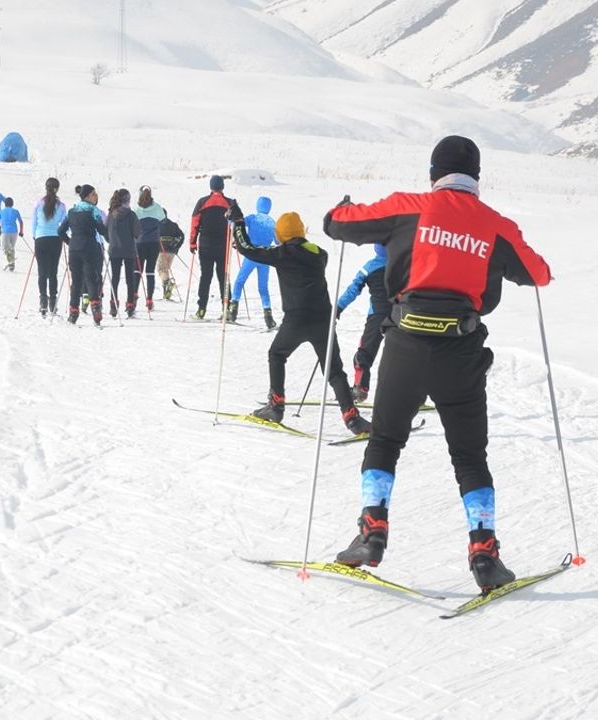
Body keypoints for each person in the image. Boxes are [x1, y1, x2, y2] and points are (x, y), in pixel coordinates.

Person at [321, 135, 552, 594]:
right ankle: (484, 554)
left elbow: (336, 224)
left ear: (433, 174)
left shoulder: (410, 206)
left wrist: (342, 207)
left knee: (385, 441)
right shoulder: (495, 225)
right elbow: (539, 274)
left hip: (406, 344)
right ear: (477, 179)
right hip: (461, 351)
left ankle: (372, 532)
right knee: (469, 457)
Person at [228, 205, 372, 437]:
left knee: (277, 355)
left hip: (296, 320)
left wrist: (238, 223)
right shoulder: (320, 254)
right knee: (334, 371)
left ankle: (276, 405)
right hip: (323, 320)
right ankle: (352, 418)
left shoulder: (281, 254)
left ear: (282, 235)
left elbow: (248, 249)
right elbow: (299, 249)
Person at [335, 244, 390, 402]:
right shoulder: (404, 265)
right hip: (401, 315)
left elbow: (353, 289)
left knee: (364, 354)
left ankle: (360, 388)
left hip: (377, 317)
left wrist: (338, 307)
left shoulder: (370, 267)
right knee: (404, 355)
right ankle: (414, 395)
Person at [59, 184, 109, 326]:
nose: (96, 196)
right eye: (94, 194)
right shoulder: (93, 211)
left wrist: (70, 242)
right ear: (87, 196)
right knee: (91, 278)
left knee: (76, 281)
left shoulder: (72, 210)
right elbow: (101, 229)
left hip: (74, 248)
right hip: (90, 247)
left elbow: (60, 231)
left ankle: (73, 312)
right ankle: (96, 310)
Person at [188, 175, 234, 319]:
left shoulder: (202, 202)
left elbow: (195, 223)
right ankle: (227, 309)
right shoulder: (230, 203)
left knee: (206, 276)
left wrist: (192, 242)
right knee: (223, 276)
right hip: (223, 245)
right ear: (222, 187)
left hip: (206, 245)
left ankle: (201, 309)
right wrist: (235, 241)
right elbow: (237, 222)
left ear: (211, 186)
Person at [229, 195, 277, 330]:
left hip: (251, 254)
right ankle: (268, 318)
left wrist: (230, 220)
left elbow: (238, 225)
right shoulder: (273, 222)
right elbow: (278, 241)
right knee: (263, 287)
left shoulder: (252, 218)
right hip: (265, 256)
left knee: (239, 281)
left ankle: (233, 311)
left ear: (257, 206)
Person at [32, 178, 67, 316]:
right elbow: (64, 223)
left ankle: (43, 301)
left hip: (41, 238)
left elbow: (34, 222)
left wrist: (35, 236)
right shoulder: (62, 205)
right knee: (53, 271)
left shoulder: (38, 204)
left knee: (42, 271)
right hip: (55, 239)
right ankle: (53, 301)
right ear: (57, 188)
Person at [105, 188, 141, 318]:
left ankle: (113, 305)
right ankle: (130, 304)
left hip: (114, 249)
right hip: (129, 250)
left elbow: (106, 232)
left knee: (115, 278)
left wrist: (112, 240)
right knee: (129, 279)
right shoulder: (131, 215)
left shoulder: (111, 215)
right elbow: (137, 232)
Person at [132, 185, 166, 311]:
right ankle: (149, 299)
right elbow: (163, 221)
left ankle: (134, 294)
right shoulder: (157, 207)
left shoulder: (135, 208)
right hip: (153, 243)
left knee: (137, 270)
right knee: (150, 271)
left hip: (139, 242)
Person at [158, 212, 185, 301]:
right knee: (166, 269)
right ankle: (166, 292)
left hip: (162, 250)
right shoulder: (173, 225)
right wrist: (176, 247)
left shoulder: (157, 225)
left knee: (161, 269)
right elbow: (181, 236)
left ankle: (167, 284)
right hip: (172, 251)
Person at [0, 197, 24, 271]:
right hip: (14, 232)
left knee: (5, 248)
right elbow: (21, 222)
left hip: (5, 232)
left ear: (5, 204)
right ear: (12, 204)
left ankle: (10, 261)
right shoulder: (16, 211)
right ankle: (11, 262)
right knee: (11, 247)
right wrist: (21, 232)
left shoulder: (2, 211)